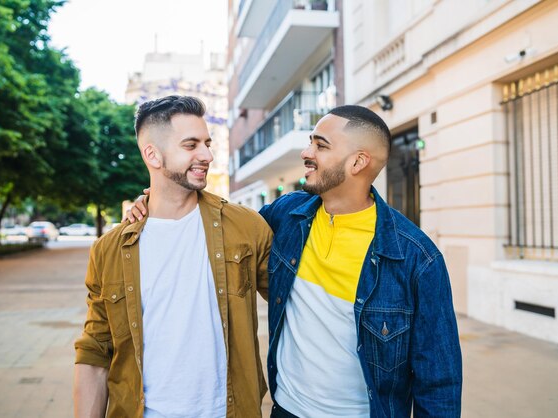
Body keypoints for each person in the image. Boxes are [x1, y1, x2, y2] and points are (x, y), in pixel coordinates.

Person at [127, 105, 462, 417]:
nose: (306, 153)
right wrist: (153, 201)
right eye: (309, 143)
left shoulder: (417, 258)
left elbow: (439, 381)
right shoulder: (287, 216)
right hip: (285, 409)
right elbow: (223, 225)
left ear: (358, 162)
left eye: (321, 145)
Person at [74, 95, 273, 418]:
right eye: (191, 145)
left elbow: (294, 302)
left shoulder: (245, 227)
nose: (207, 155)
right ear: (153, 154)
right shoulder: (108, 249)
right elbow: (95, 350)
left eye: (207, 143)